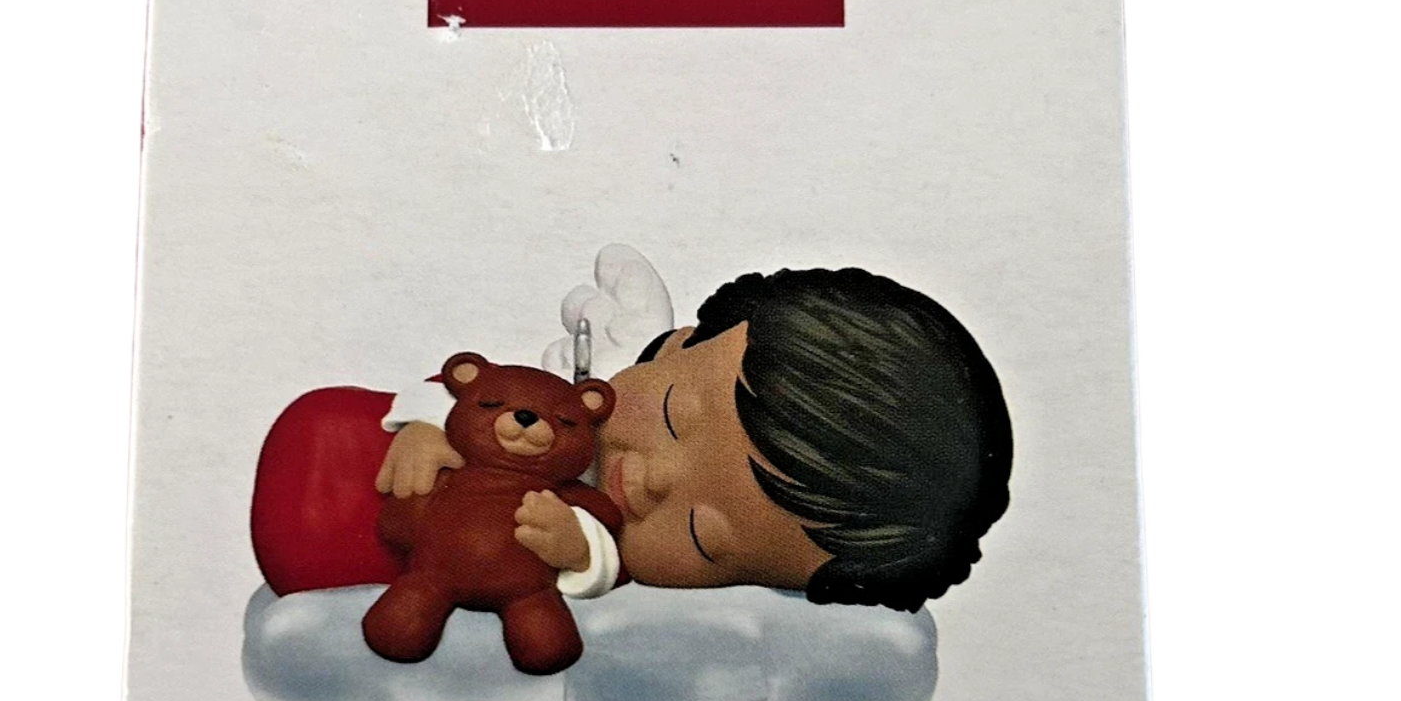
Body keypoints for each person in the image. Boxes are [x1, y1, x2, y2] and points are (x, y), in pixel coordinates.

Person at [375, 266, 1012, 614]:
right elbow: (482, 392)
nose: (653, 481)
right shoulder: (568, 408)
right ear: (677, 342)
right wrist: (424, 425)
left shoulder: (601, 543)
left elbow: (600, 570)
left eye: (700, 538)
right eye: (674, 414)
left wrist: (576, 553)